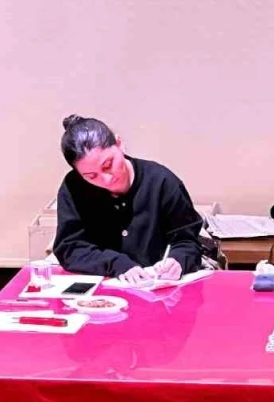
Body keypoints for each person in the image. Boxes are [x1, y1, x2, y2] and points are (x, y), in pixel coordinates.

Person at [52, 114, 203, 285]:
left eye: (108, 165)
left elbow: (188, 241)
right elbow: (69, 247)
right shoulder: (74, 187)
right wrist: (115, 264)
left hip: (158, 286)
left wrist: (178, 260)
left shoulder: (162, 182)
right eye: (91, 176)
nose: (106, 179)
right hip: (103, 287)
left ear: (119, 144)